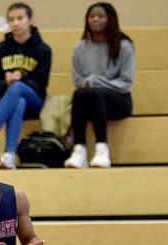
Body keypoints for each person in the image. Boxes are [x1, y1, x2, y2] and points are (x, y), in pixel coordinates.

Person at [63, 2, 134, 169]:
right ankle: (79, 149)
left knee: (96, 92)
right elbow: (78, 80)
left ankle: (102, 149)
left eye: (100, 16)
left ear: (110, 20)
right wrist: (91, 83)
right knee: (79, 93)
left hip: (119, 100)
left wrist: (96, 81)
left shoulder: (124, 46)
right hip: (89, 100)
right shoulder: (80, 48)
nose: (95, 19)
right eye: (91, 16)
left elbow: (126, 83)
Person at [0, 3, 51, 170]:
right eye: (11, 19)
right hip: (7, 101)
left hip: (34, 101)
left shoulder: (43, 49)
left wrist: (20, 80)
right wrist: (6, 82)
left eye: (20, 18)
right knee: (18, 101)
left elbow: (41, 85)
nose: (15, 23)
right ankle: (10, 155)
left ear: (30, 20)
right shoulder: (0, 49)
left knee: (18, 88)